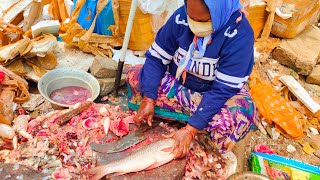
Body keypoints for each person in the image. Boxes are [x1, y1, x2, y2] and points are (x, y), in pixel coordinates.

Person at [126, 0, 256, 159]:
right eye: (191, 18)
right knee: (135, 76)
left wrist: (191, 129)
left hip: (213, 96)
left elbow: (223, 90)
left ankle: (193, 125)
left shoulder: (239, 34)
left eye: (202, 21)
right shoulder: (180, 17)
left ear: (217, 12)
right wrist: (149, 99)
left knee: (239, 113)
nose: (195, 26)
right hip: (180, 88)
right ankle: (195, 122)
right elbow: (156, 58)